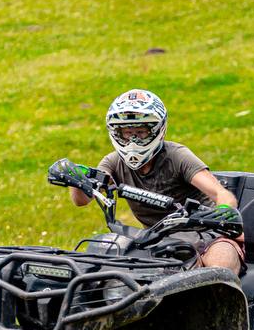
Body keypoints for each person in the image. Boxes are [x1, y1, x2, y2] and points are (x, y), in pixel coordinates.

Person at [68, 89, 244, 273]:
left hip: (206, 235)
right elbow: (82, 200)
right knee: (105, 265)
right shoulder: (113, 162)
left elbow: (221, 193)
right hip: (156, 240)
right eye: (127, 133)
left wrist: (224, 211)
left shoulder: (177, 156)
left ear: (158, 130)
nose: (133, 140)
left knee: (220, 266)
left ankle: (225, 299)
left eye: (141, 132)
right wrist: (78, 179)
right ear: (116, 133)